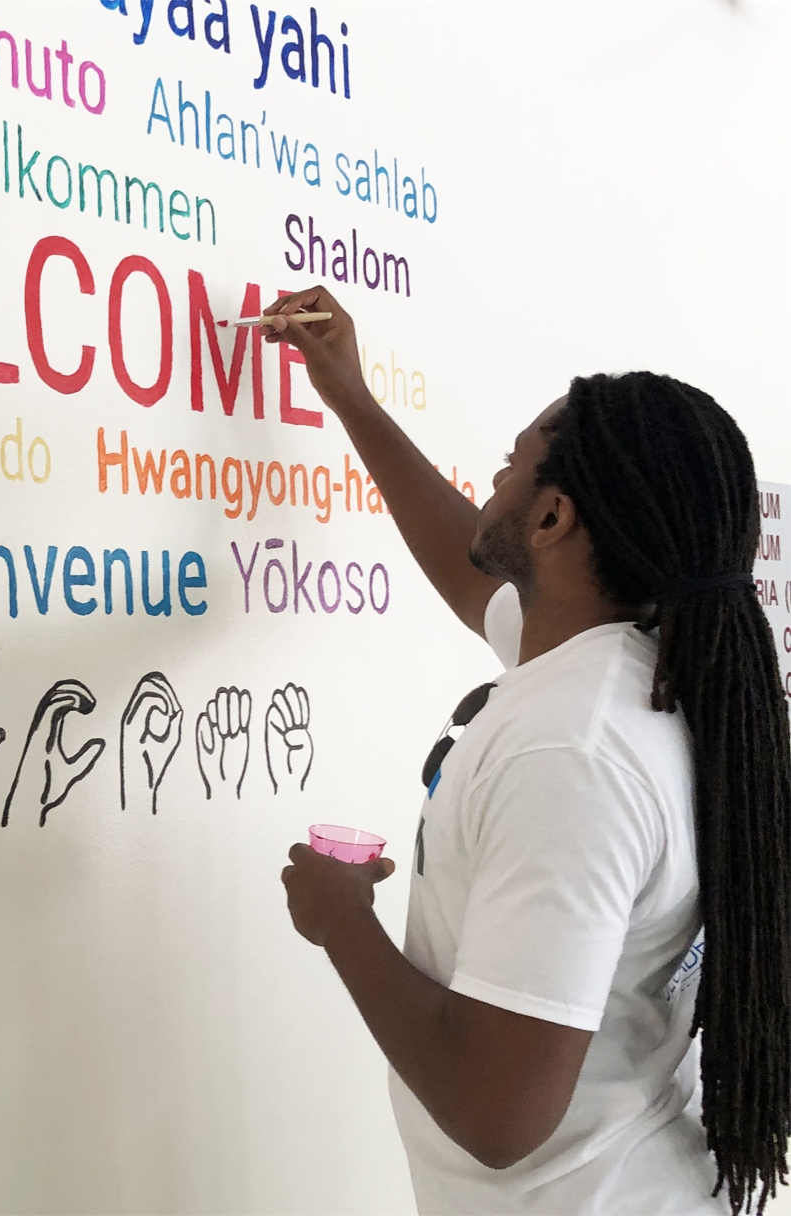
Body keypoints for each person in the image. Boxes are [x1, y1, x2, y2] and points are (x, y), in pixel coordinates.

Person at [267, 287, 790, 1215]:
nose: (492, 483)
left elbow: (496, 1115)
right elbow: (463, 568)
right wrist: (346, 392)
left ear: (551, 522)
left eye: (510, 466)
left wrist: (340, 919)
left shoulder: (570, 752)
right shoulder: (625, 671)